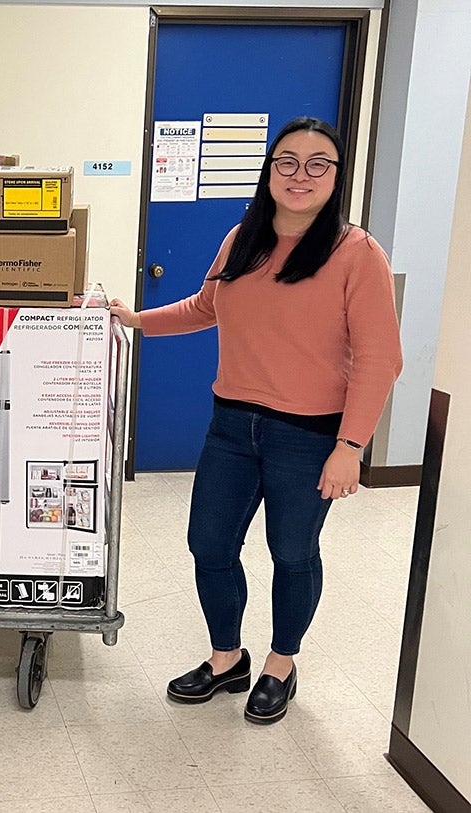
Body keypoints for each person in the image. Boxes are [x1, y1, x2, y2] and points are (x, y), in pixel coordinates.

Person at [110, 117, 402, 724]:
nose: (300, 175)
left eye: (318, 164)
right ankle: (227, 659)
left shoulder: (357, 252)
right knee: (209, 544)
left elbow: (380, 359)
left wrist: (350, 446)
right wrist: (136, 321)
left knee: (292, 551)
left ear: (337, 176)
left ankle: (280, 664)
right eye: (287, 161)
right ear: (270, 171)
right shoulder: (242, 238)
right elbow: (205, 307)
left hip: (310, 434)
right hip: (232, 426)